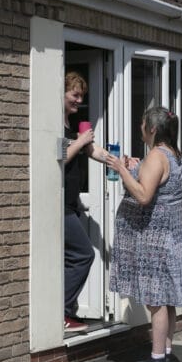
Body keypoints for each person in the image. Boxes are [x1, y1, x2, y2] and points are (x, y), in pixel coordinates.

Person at [106, 106, 182, 362]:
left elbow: (143, 196)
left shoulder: (156, 155)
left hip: (155, 239)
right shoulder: (174, 154)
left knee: (156, 301)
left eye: (142, 124)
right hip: (171, 236)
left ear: (152, 128)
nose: (140, 128)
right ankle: (165, 353)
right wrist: (136, 167)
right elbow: (157, 182)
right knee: (167, 299)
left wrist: (121, 169)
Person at [63, 71, 109, 332]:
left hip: (72, 205)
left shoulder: (73, 123)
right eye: (75, 95)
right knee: (83, 254)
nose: (79, 100)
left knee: (69, 259)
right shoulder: (53, 123)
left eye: (82, 96)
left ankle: (64, 311)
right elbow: (59, 158)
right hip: (59, 207)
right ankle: (62, 312)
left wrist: (119, 161)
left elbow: (93, 151)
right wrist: (80, 141)